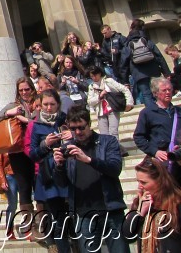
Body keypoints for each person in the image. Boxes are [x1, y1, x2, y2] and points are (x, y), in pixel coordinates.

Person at [51, 106, 129, 253]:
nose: (78, 132)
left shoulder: (108, 142)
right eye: (73, 129)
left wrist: (88, 159)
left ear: (89, 124)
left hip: (110, 210)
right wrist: (59, 166)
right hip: (83, 214)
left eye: (81, 127)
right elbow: (61, 183)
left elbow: (114, 169)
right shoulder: (68, 148)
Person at [24, 89, 70, 252]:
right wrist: (46, 145)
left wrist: (69, 139)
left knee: (71, 217)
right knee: (57, 220)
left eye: (52, 104)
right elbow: (32, 153)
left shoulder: (65, 121)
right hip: (49, 176)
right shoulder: (36, 125)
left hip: (70, 173)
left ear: (58, 104)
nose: (49, 108)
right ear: (40, 106)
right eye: (45, 104)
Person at [0, 77, 38, 234]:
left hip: (38, 150)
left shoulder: (39, 104)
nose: (24, 92)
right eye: (21, 90)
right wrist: (8, 113)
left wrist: (25, 118)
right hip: (19, 152)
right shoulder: (14, 106)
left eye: (27, 89)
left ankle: (44, 222)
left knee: (39, 187)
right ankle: (30, 225)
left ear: (32, 89)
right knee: (24, 189)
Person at [126, 157, 181, 253]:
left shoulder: (176, 203)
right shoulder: (139, 203)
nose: (139, 186)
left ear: (159, 182)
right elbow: (128, 235)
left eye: (143, 182)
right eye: (138, 181)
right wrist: (140, 212)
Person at [132, 77, 181, 186]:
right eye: (164, 90)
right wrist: (154, 151)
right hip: (163, 164)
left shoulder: (178, 112)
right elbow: (138, 137)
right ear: (155, 93)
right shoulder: (147, 113)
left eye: (170, 89)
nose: (168, 92)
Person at [120, 18, 170, 105]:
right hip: (154, 71)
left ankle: (153, 115)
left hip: (139, 74)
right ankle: (163, 112)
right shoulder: (147, 41)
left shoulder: (128, 44)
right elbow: (159, 57)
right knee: (159, 93)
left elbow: (124, 64)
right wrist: (166, 72)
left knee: (147, 95)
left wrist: (125, 81)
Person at [86, 66, 133, 145]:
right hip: (100, 111)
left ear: (99, 73)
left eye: (95, 75)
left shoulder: (108, 81)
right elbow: (90, 101)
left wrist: (129, 103)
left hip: (112, 109)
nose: (93, 78)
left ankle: (115, 152)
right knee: (104, 134)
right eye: (91, 76)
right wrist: (99, 96)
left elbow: (124, 89)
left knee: (113, 132)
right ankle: (115, 151)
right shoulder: (91, 87)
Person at [0, 152, 18, 241]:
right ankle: (9, 231)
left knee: (26, 203)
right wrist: (2, 179)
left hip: (22, 174)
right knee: (13, 205)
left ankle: (30, 230)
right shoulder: (3, 142)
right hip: (9, 175)